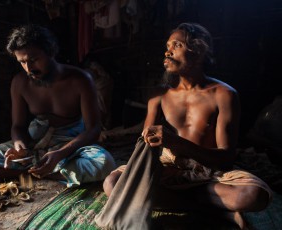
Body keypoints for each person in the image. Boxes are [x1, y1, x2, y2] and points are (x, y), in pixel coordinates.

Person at [95, 23, 272, 229]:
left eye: (176, 45)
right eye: (168, 45)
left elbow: (226, 159)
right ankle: (214, 211)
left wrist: (178, 143)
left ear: (199, 50)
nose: (167, 51)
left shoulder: (224, 94)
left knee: (254, 195)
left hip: (208, 173)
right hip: (168, 168)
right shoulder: (159, 96)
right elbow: (143, 148)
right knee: (112, 183)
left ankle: (187, 200)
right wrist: (156, 161)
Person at [0, 24, 115, 198]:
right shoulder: (20, 82)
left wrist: (61, 153)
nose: (29, 68)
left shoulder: (80, 79)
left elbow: (93, 129)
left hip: (71, 142)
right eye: (22, 62)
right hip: (34, 142)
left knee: (103, 164)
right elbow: (18, 126)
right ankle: (30, 167)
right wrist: (19, 147)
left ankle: (25, 173)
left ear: (50, 52)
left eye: (33, 59)